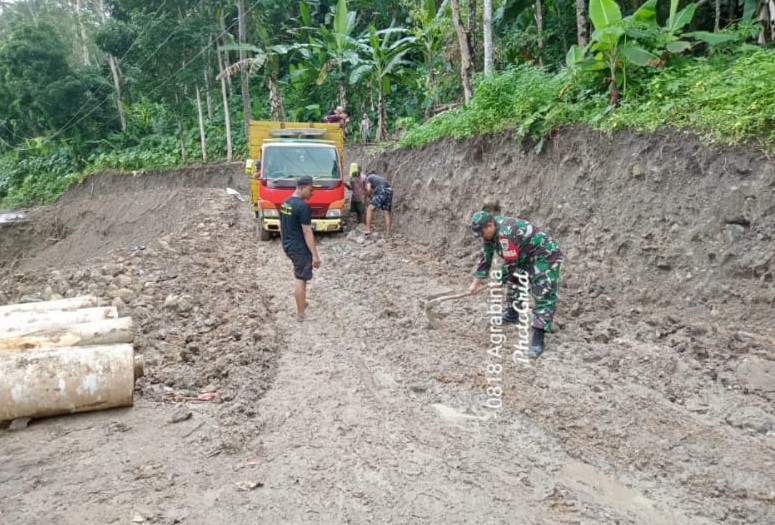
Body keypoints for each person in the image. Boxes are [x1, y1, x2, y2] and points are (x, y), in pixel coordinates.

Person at [467, 211, 563, 358]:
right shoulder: (489, 233)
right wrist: (475, 284)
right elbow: (485, 257)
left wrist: (499, 280)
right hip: (524, 255)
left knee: (543, 291)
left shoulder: (506, 234)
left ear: (490, 225)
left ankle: (538, 337)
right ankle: (513, 314)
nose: (481, 236)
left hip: (544, 254)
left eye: (482, 233)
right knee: (515, 280)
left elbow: (510, 263)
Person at [279, 175, 322, 321]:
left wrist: (285, 244)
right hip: (299, 247)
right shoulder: (303, 206)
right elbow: (307, 231)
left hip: (289, 245)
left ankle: (302, 302)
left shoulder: (285, 203)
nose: (312, 192)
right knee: (301, 278)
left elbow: (282, 226)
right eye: (310, 189)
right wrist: (315, 255)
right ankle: (301, 313)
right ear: (302, 187)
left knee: (300, 274)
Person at [364, 170, 393, 236]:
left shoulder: (368, 178)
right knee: (386, 212)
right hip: (390, 191)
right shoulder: (379, 178)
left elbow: (368, 189)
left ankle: (367, 229)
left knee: (369, 209)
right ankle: (388, 233)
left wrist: (368, 196)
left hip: (382, 190)